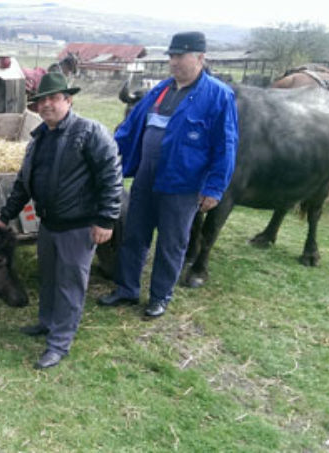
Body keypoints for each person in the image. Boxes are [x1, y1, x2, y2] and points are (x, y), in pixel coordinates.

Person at [0, 72, 123, 369]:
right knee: (49, 277)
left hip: (78, 226)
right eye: (41, 100)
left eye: (53, 98)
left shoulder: (90, 132)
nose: (47, 104)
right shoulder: (39, 139)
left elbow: (111, 177)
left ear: (68, 100)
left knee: (70, 284)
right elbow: (23, 184)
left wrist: (106, 219)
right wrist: (4, 217)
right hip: (48, 224)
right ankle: (47, 322)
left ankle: (60, 342)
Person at [98, 31, 238, 318]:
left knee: (171, 243)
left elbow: (227, 145)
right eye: (171, 56)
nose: (173, 62)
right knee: (135, 235)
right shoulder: (160, 90)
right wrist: (107, 154)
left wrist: (214, 187)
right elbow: (131, 128)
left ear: (200, 57)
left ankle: (160, 296)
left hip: (182, 184)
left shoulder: (218, 95)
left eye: (180, 56)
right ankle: (127, 289)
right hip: (146, 177)